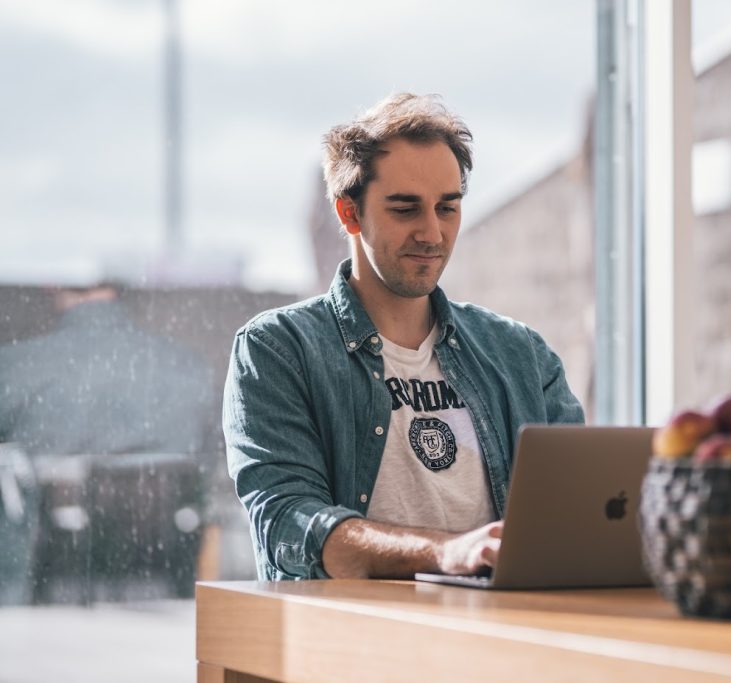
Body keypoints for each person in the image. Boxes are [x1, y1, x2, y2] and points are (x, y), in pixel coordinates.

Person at [223, 93, 584, 581]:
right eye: (405, 209)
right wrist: (445, 554)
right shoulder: (278, 349)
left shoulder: (521, 354)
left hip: (505, 636)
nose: (433, 233)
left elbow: (582, 510)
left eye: (447, 208)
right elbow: (288, 521)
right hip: (351, 642)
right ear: (349, 214)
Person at [0, 283, 216, 456]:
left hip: (47, 509)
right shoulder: (190, 368)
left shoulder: (12, 369)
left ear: (49, 282)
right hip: (163, 508)